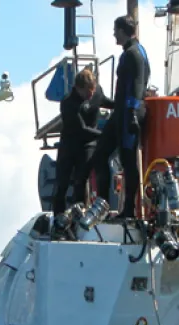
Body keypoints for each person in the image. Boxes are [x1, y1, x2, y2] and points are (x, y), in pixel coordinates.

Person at [85, 15, 150, 219]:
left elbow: (139, 85)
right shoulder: (134, 51)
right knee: (100, 156)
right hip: (121, 113)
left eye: (116, 30)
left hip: (128, 114)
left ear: (123, 31)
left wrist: (131, 113)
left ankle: (129, 208)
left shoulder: (134, 53)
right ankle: (103, 207)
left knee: (128, 161)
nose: (114, 34)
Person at [53, 68, 114, 215]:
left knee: (81, 179)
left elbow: (104, 101)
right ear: (78, 89)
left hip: (87, 145)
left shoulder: (96, 91)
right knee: (62, 183)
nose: (91, 94)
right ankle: (58, 217)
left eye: (92, 90)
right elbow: (81, 129)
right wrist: (104, 135)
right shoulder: (68, 103)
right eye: (87, 92)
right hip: (71, 143)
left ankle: (80, 212)